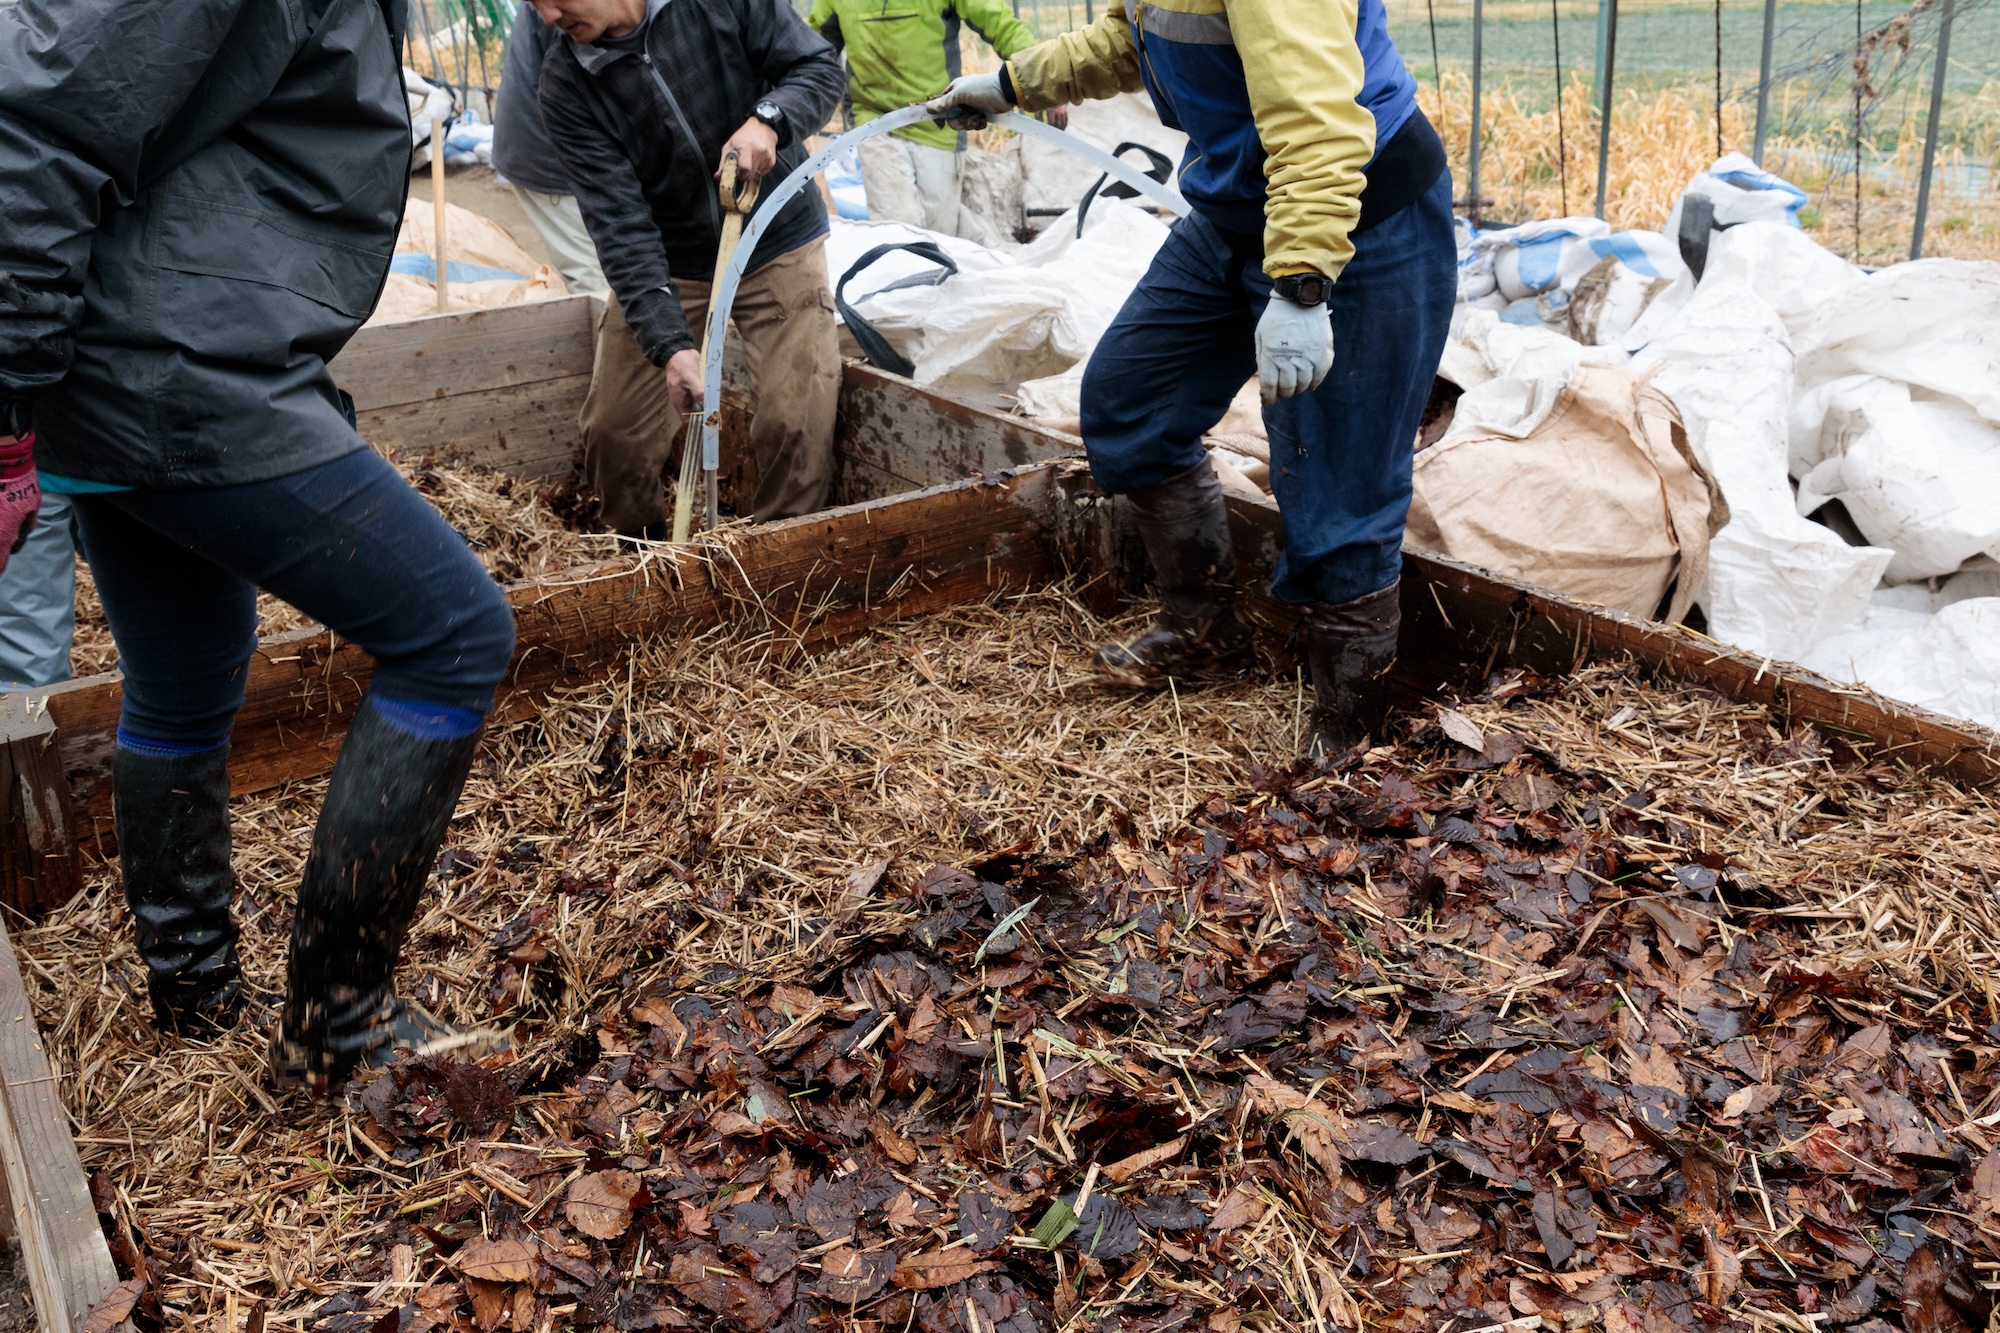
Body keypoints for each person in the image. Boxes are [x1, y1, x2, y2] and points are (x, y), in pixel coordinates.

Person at [0, 0, 518, 1095]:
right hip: (169, 370)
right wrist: (6, 404)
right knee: (453, 635)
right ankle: (339, 1024)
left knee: (184, 676)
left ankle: (193, 995)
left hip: (142, 350)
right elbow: (42, 119)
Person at [929, 0, 1456, 756]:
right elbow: (1134, 34)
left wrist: (1302, 285)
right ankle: (1205, 631)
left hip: (1353, 212)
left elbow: (1318, 126)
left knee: (1339, 486)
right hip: (1239, 207)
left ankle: (1347, 743)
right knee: (1133, 399)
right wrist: (1013, 84)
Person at [533, 0, 847, 536]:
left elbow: (817, 67)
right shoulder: (566, 82)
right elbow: (619, 224)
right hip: (672, 260)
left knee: (795, 418)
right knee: (615, 431)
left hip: (775, 238)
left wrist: (770, 120)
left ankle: (780, 561)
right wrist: (669, 345)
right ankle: (645, 561)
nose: (548, 15)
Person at [806, 0, 1052, 236]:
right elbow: (814, 52)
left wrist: (1042, 80)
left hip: (940, 121)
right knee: (897, 228)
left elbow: (999, 23)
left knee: (940, 233)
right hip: (875, 123)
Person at [493, 2, 610, 297]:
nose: (549, 15)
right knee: (594, 274)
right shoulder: (574, 19)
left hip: (541, 134)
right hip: (546, 150)